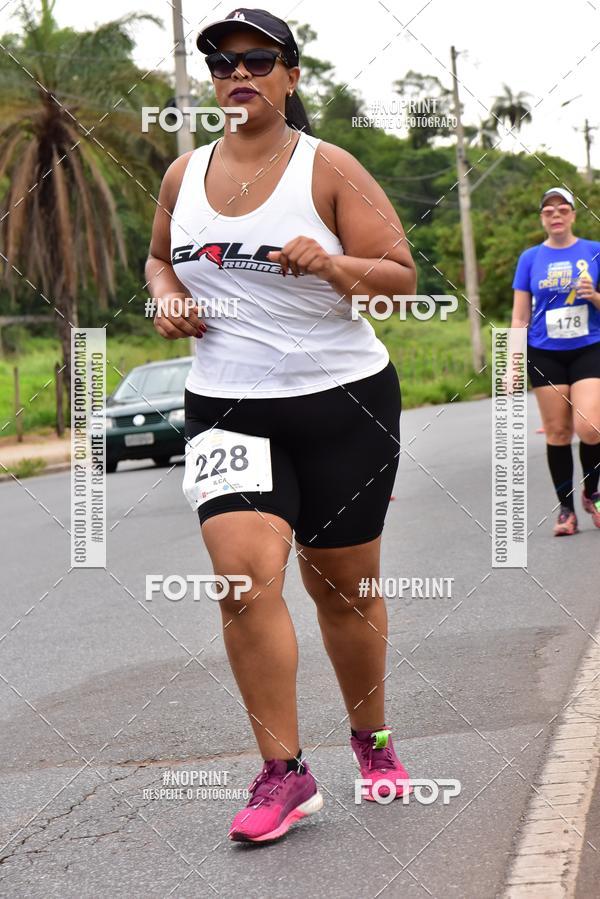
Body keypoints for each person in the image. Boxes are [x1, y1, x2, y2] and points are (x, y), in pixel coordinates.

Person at [146, 8, 417, 842]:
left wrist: (334, 263)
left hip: (342, 401)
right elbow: (158, 256)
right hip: (225, 404)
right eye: (223, 62)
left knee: (342, 592)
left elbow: (400, 280)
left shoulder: (329, 167)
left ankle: (371, 737)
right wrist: (166, 294)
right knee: (243, 575)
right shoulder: (182, 174)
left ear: (291, 77)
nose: (239, 73)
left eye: (258, 59)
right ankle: (284, 773)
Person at [511, 187, 600, 536]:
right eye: (549, 211)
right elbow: (519, 317)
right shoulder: (529, 258)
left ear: (573, 215)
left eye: (562, 209)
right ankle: (566, 511)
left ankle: (592, 490)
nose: (556, 215)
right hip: (545, 352)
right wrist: (512, 365)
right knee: (558, 432)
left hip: (589, 348)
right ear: (542, 219)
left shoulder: (594, 251)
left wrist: (594, 296)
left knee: (590, 427)